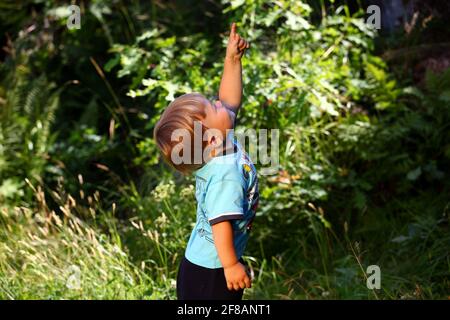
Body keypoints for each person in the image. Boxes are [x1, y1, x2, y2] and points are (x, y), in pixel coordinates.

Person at [153, 22, 258, 300]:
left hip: (205, 265)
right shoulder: (225, 173)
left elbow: (229, 99)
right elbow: (220, 222)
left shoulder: (219, 141)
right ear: (211, 139)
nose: (218, 102)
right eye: (214, 107)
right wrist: (231, 265)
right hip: (211, 273)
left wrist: (232, 60)